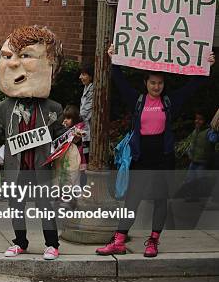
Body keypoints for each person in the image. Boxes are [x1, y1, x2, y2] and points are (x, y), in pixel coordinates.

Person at [96, 45, 215, 258]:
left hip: (163, 158)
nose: (156, 86)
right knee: (133, 199)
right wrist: (113, 58)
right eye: (152, 82)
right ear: (146, 83)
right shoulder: (138, 100)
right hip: (141, 157)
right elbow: (120, 82)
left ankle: (153, 241)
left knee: (161, 199)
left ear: (164, 84)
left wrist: (208, 64)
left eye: (160, 83)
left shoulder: (170, 101)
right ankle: (119, 240)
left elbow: (192, 86)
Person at [0, 25, 65, 261]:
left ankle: (52, 244)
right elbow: (0, 128)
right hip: (17, 167)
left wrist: (71, 137)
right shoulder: (5, 106)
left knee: (45, 206)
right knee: (16, 206)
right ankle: (20, 242)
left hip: (40, 166)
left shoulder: (52, 108)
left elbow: (59, 133)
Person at [78, 62, 94, 165]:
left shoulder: (93, 90)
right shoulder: (87, 87)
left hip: (89, 131)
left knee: (86, 158)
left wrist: (74, 119)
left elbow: (85, 113)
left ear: (91, 76)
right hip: (85, 130)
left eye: (83, 74)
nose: (80, 77)